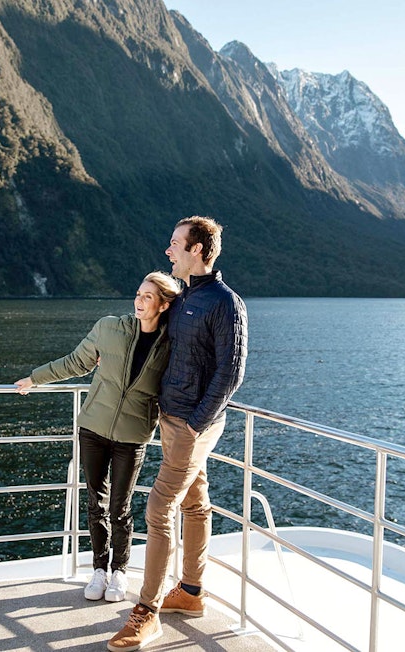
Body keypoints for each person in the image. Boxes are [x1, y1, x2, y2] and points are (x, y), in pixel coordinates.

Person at [108, 216, 248, 651]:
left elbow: (231, 372)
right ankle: (189, 592)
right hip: (170, 417)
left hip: (193, 424)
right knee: (195, 501)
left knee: (158, 506)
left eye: (175, 244)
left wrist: (195, 423)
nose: (168, 251)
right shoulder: (184, 296)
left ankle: (147, 612)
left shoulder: (225, 303)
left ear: (199, 251)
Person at [14, 272, 181, 603]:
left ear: (163, 304)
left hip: (132, 436)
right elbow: (76, 362)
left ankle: (120, 571)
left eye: (148, 297)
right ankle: (99, 570)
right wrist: (36, 379)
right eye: (138, 294)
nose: (139, 301)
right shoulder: (109, 328)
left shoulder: (171, 343)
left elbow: (176, 385)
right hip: (93, 429)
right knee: (96, 503)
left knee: (120, 507)